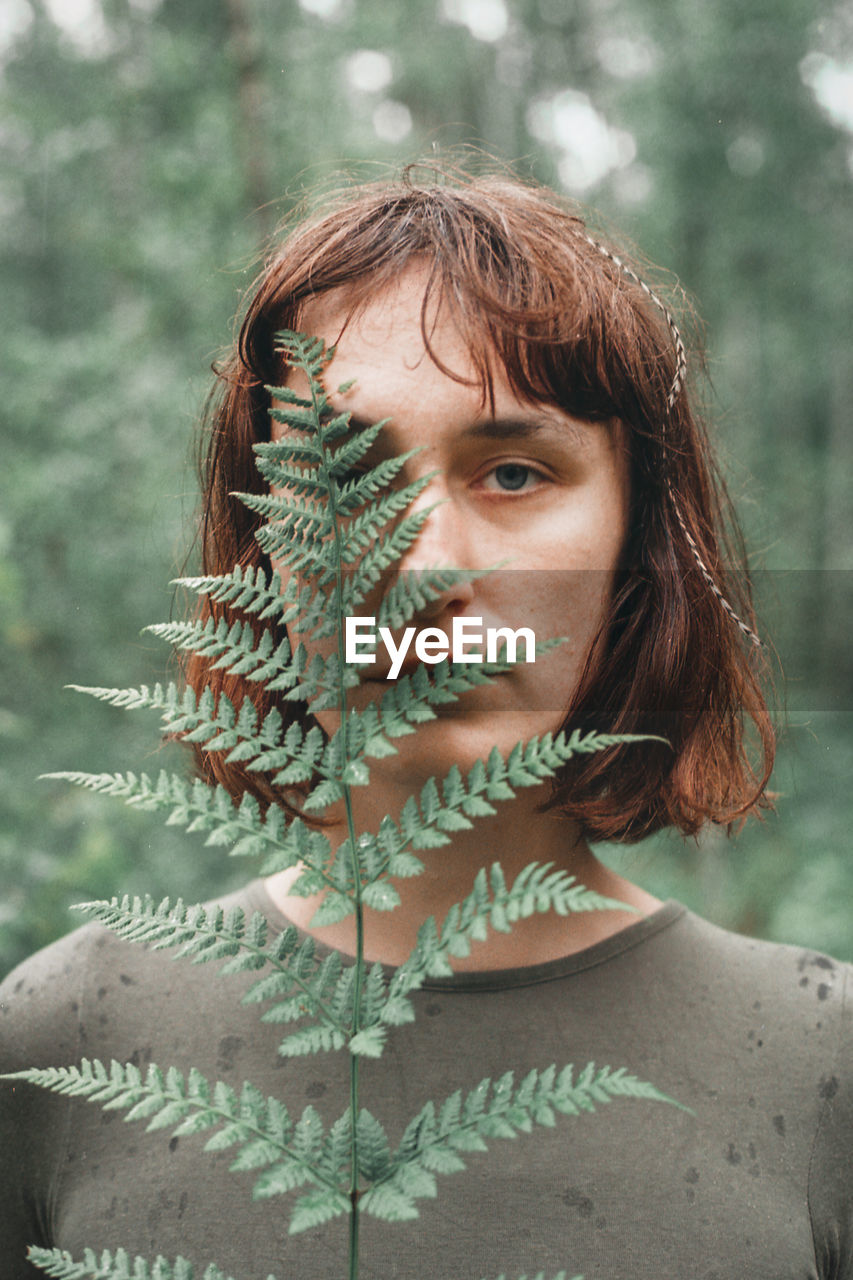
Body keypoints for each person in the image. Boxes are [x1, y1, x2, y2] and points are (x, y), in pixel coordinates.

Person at [1, 168, 850, 1279]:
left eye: (511, 470)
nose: (423, 566)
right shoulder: (55, 1043)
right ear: (262, 547)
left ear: (639, 550)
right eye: (345, 473)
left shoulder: (818, 1067)